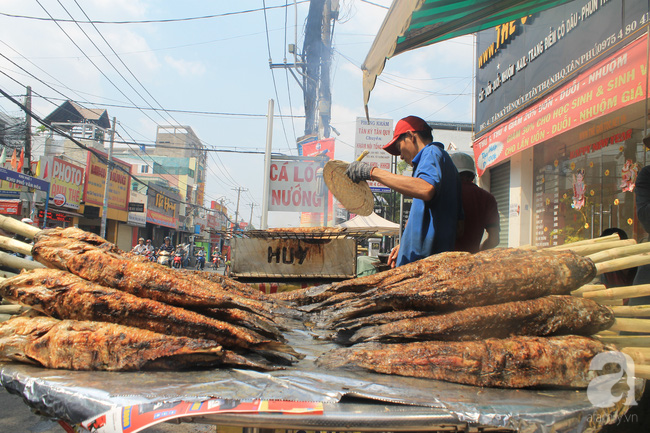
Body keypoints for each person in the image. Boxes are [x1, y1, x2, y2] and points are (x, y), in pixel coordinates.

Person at [346, 115, 462, 267]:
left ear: (410, 136)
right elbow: (458, 227)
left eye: (399, 148)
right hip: (426, 263)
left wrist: (371, 172)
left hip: (423, 267)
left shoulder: (431, 153)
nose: (400, 156)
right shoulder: (440, 163)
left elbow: (426, 188)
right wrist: (405, 244)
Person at [450, 152, 500, 254]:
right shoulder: (488, 198)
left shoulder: (444, 194)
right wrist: (475, 255)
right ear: (473, 176)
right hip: (471, 264)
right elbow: (494, 239)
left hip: (440, 263)